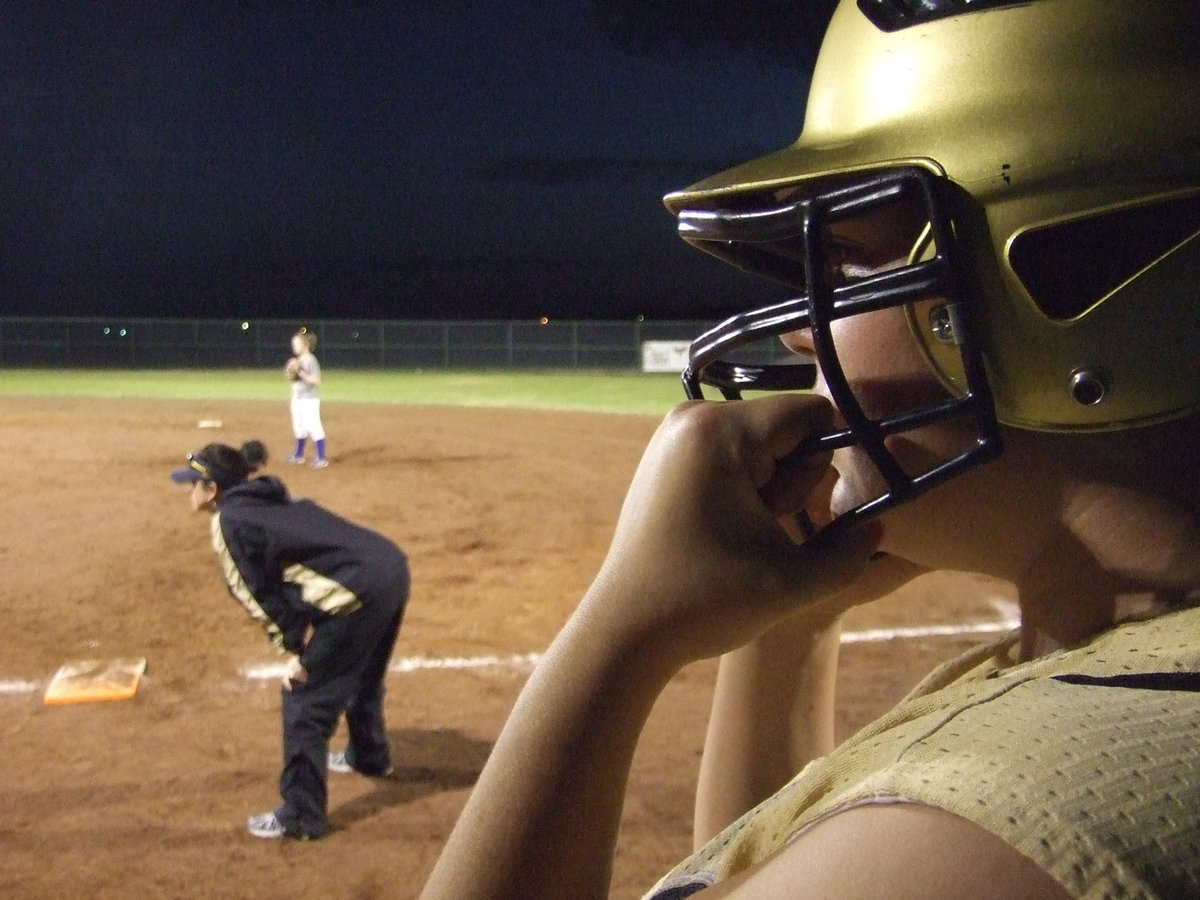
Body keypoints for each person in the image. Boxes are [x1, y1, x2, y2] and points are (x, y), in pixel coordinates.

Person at [420, 1, 1200, 897]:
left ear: (1075, 292)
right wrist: (790, 630)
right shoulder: (1119, 667)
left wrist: (616, 641)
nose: (801, 332)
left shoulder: (986, 845)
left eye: (848, 265)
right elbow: (741, 865)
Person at [170, 439, 409, 840]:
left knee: (304, 698)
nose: (185, 490)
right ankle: (369, 756)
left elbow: (255, 596)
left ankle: (301, 814)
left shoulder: (229, 521)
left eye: (192, 483)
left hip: (356, 593)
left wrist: (300, 651)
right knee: (362, 673)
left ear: (212, 490)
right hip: (390, 569)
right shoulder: (268, 497)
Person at [286, 327, 328, 468]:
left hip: (309, 400)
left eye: (296, 345)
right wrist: (291, 371)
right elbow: (293, 378)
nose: (294, 347)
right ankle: (298, 455)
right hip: (297, 399)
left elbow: (316, 381)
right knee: (299, 427)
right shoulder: (298, 360)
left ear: (304, 345)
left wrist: (300, 371)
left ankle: (322, 458)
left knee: (314, 426)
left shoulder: (311, 360)